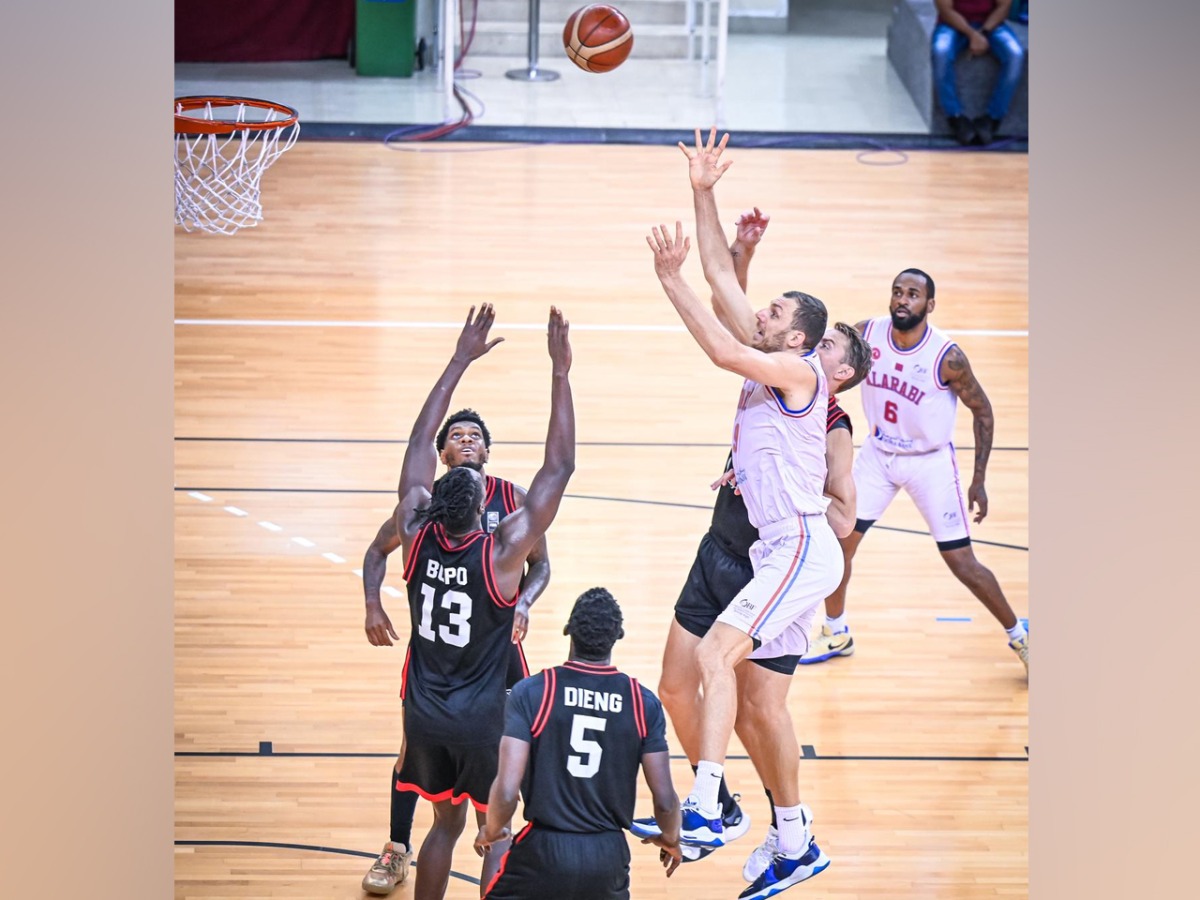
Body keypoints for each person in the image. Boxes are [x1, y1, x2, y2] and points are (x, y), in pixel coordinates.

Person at [631, 206, 872, 890]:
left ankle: (707, 808)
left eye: (771, 312)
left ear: (800, 339)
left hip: (797, 547)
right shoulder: (776, 362)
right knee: (733, 686)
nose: (756, 313)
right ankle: (794, 844)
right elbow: (720, 278)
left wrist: (666, 278)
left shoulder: (798, 376)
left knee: (718, 659)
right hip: (773, 551)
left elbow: (716, 339)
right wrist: (702, 192)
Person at [362, 304, 577, 900]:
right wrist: (560, 373)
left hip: (429, 709)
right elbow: (559, 467)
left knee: (445, 827)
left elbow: (414, 446)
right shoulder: (501, 551)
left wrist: (460, 359)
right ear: (484, 515)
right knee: (496, 830)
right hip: (483, 717)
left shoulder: (414, 528)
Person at [800, 268, 1029, 673]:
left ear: (930, 305)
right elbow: (828, 370)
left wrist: (978, 479)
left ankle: (1020, 635)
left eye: (913, 295)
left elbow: (983, 411)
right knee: (839, 543)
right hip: (878, 455)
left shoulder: (947, 356)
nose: (903, 300)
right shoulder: (866, 336)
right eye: (897, 292)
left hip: (930, 462)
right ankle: (836, 630)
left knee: (963, 563)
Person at [473, 587, 683, 899]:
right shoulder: (643, 703)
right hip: (608, 855)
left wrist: (491, 831)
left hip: (543, 849)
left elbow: (506, 790)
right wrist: (670, 838)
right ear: (618, 635)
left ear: (568, 631)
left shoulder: (533, 692)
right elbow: (665, 800)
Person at [932, 0, 1027, 145]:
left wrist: (984, 32)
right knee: (940, 51)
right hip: (953, 24)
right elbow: (946, 11)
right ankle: (955, 117)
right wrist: (972, 35)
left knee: (1015, 54)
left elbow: (1004, 6)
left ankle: (992, 118)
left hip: (989, 24)